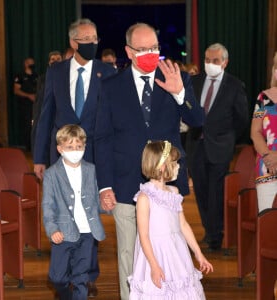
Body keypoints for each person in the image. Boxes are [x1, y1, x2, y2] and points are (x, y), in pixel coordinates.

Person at [94, 22, 204, 300]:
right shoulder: (109, 87)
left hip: (166, 184)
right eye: (142, 49)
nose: (150, 54)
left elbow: (197, 120)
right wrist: (104, 185)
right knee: (130, 254)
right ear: (129, 52)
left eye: (154, 48)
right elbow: (102, 138)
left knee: (170, 252)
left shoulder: (176, 77)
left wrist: (180, 94)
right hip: (124, 182)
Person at [33, 18, 116, 297]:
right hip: (60, 159)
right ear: (73, 42)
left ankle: (86, 276)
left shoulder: (108, 72)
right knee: (62, 213)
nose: (92, 43)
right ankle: (63, 274)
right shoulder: (55, 72)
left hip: (94, 156)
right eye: (86, 39)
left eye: (95, 38)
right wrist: (38, 158)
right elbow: (45, 117)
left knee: (88, 214)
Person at [128, 140, 213, 299]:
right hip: (156, 254)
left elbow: (183, 224)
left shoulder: (174, 192)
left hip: (176, 252)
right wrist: (154, 265)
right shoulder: (144, 197)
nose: (178, 166)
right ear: (162, 166)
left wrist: (198, 253)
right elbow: (143, 236)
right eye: (174, 163)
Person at [187, 43, 249, 251]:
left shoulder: (234, 86)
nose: (210, 64)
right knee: (201, 191)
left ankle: (216, 234)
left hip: (220, 147)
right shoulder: (194, 82)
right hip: (196, 145)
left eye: (215, 61)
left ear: (225, 62)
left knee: (216, 192)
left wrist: (228, 139)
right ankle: (209, 230)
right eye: (207, 60)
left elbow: (241, 119)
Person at [42, 124, 105, 300]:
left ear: (84, 147)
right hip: (62, 233)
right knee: (57, 278)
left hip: (87, 233)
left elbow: (95, 200)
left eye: (79, 146)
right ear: (60, 148)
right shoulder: (51, 174)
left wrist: (106, 206)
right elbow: (48, 205)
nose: (75, 150)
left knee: (81, 278)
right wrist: (52, 229)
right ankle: (65, 296)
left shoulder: (90, 169)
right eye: (70, 147)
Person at [250, 51, 277, 212]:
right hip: (267, 166)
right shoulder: (263, 98)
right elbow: (255, 132)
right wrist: (268, 156)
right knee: (267, 219)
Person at [31, 50, 62, 157]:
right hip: (44, 115)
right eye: (53, 59)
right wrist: (34, 117)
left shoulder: (67, 77)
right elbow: (38, 100)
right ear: (49, 62)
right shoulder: (42, 78)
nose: (55, 62)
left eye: (58, 59)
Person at [13, 57, 38, 151]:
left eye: (33, 63)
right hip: (24, 105)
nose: (31, 65)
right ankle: (28, 146)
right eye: (29, 63)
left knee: (35, 125)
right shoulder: (20, 76)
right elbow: (16, 90)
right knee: (27, 126)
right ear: (25, 64)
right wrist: (28, 96)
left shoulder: (36, 75)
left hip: (35, 105)